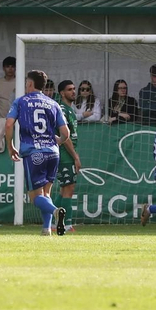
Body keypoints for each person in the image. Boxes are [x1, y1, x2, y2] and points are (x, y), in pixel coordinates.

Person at [6, 69, 73, 236]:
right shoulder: (53, 103)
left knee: (35, 197)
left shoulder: (20, 102)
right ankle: (46, 229)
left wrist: (10, 145)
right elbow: (66, 133)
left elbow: (8, 125)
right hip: (52, 152)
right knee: (46, 192)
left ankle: (56, 211)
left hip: (34, 152)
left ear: (29, 84)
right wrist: (56, 141)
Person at [53, 80, 85, 233]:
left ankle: (55, 224)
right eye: (69, 89)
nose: (73, 92)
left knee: (64, 189)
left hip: (66, 155)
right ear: (62, 93)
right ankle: (66, 224)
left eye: (74, 89)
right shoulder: (62, 110)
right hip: (65, 155)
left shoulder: (70, 110)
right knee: (69, 189)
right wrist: (75, 156)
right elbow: (64, 137)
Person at [0, 57, 17, 152]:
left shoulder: (21, 82)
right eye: (7, 66)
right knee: (0, 146)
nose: (10, 69)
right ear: (3, 68)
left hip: (16, 121)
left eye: (12, 66)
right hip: (0, 118)